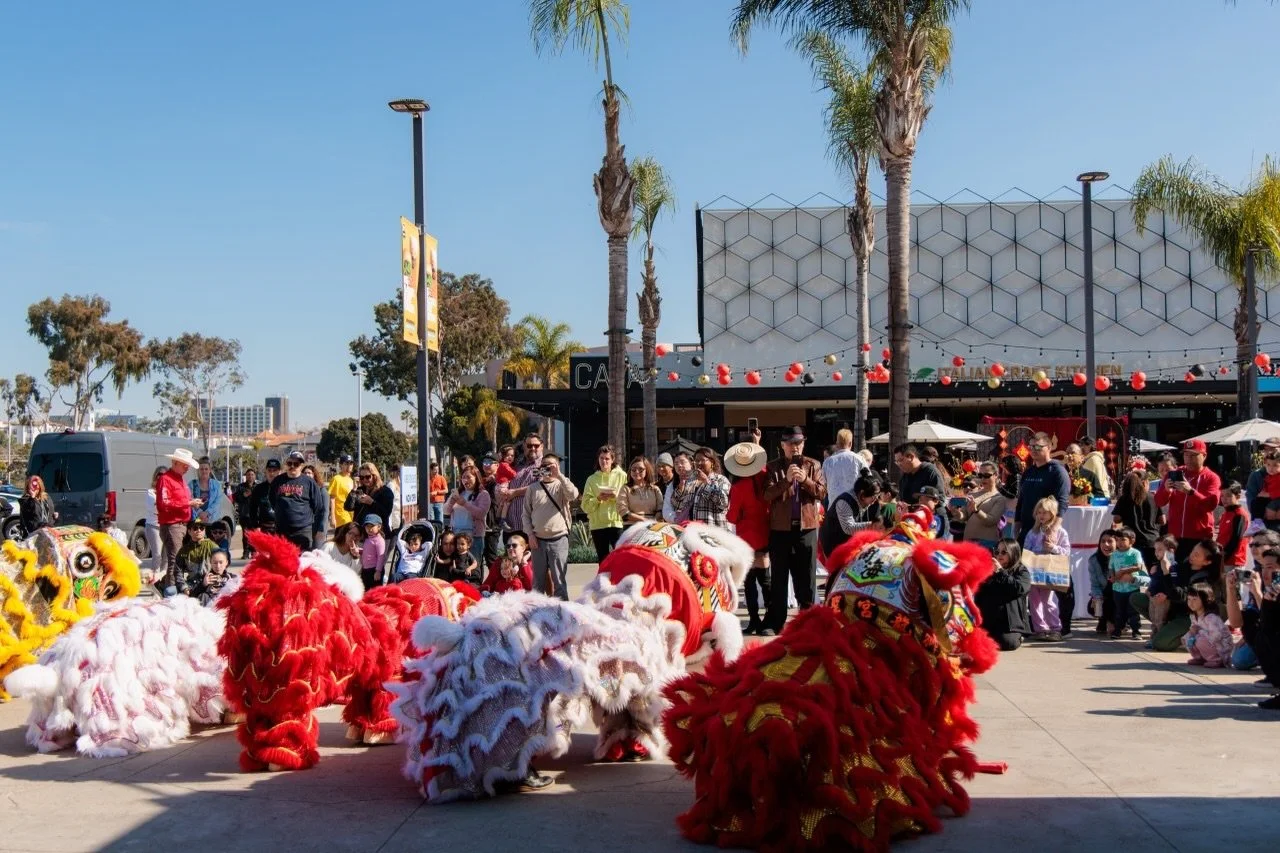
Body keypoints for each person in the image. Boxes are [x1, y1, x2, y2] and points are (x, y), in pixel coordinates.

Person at [762, 427, 827, 634]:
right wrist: (787, 480)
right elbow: (767, 495)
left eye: (798, 443)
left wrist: (805, 480)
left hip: (806, 528)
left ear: (803, 444)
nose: (795, 447)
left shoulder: (813, 465)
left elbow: (822, 493)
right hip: (780, 530)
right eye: (790, 444)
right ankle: (776, 622)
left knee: (806, 578)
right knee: (779, 576)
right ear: (782, 446)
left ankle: (808, 622)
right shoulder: (773, 467)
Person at [1133, 539, 1222, 652]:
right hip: (1172, 608)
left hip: (1188, 616)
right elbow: (1167, 582)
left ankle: (1188, 638)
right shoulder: (1184, 563)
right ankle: (1167, 626)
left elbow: (1180, 596)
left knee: (1160, 643)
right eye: (1193, 551)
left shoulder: (1204, 580)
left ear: (1207, 562)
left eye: (1197, 554)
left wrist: (1166, 573)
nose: (1192, 555)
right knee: (1137, 598)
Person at [1225, 544, 1280, 708]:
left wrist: (1259, 595)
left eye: (1270, 568)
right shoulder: (1261, 586)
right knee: (1251, 624)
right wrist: (1230, 589)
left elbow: (1271, 621)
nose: (1265, 573)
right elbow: (1236, 622)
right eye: (1262, 567)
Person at [725, 441, 772, 635]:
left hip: (746, 537)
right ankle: (769, 619)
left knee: (750, 581)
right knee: (766, 579)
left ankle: (754, 620)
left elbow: (732, 517)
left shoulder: (738, 487)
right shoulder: (765, 475)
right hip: (766, 530)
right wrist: (757, 443)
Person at [1154, 438, 1222, 563]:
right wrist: (1166, 490)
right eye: (1186, 455)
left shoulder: (1211, 478)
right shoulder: (1175, 474)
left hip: (1199, 537)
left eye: (1193, 455)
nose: (1188, 459)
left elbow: (1211, 504)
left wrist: (1191, 492)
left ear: (1204, 456)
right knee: (1176, 573)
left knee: (1197, 572)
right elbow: (1158, 501)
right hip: (1175, 537)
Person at [522, 452, 579, 600]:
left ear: (557, 467)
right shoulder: (532, 488)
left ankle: (562, 613)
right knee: (538, 583)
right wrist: (530, 535)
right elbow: (526, 515)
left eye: (550, 466)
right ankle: (537, 613)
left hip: (558, 539)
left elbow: (573, 495)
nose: (546, 468)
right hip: (537, 541)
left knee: (559, 581)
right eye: (543, 466)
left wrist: (559, 475)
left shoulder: (561, 485)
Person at [156, 448, 204, 597]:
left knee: (176, 559)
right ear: (175, 463)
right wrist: (188, 503)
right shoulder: (166, 479)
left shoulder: (179, 479)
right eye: (184, 465)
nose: (187, 467)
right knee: (175, 560)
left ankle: (165, 586)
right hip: (173, 524)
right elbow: (164, 503)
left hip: (181, 523)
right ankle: (170, 593)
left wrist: (190, 504)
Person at [1024, 496, 1070, 642]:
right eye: (1039, 512)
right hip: (1034, 569)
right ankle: (1040, 629)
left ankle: (1055, 628)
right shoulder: (1033, 532)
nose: (1041, 515)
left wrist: (1053, 548)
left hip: (1049, 570)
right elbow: (1026, 548)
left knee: (1049, 600)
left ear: (1052, 513)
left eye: (1045, 512)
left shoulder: (1060, 532)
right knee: (1034, 600)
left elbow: (1067, 551)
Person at [974, 539, 1032, 651]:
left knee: (1007, 643)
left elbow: (1019, 589)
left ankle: (1019, 636)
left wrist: (1000, 572)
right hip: (989, 620)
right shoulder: (990, 569)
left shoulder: (1021, 570)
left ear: (1013, 553)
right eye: (997, 551)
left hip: (1009, 624)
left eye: (1004, 552)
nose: (999, 555)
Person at [1014, 434, 1070, 546]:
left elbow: (1062, 502)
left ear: (1049, 448)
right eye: (1031, 447)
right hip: (1026, 532)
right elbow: (1021, 501)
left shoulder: (1057, 471)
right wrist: (1016, 528)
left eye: (1038, 447)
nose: (1033, 450)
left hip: (1045, 532)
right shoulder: (1028, 472)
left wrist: (1053, 530)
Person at [270, 451, 327, 551]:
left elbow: (318, 506)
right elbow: (272, 500)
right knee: (282, 562)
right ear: (286, 464)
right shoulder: (277, 481)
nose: (292, 466)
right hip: (282, 530)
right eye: (290, 463)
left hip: (303, 531)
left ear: (301, 466)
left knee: (302, 562)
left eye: (296, 464)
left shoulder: (309, 482)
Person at [819, 473, 884, 558]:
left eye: (877, 496)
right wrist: (873, 525)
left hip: (845, 542)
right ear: (862, 494)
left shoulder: (862, 499)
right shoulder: (844, 502)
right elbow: (849, 528)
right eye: (874, 496)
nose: (875, 500)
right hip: (832, 542)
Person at [581, 445, 627, 561]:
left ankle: (619, 580)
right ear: (598, 459)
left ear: (612, 460)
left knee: (621, 559)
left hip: (617, 524)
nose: (604, 461)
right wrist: (598, 499)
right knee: (603, 561)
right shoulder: (591, 479)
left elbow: (629, 499)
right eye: (601, 458)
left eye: (607, 458)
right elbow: (585, 506)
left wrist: (616, 496)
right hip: (598, 526)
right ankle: (604, 580)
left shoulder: (622, 476)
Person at [499, 434, 545, 537]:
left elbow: (541, 486)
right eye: (529, 445)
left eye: (536, 445)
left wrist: (515, 492)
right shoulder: (516, 464)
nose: (532, 448)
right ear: (524, 446)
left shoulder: (544, 464)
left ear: (542, 446)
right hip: (511, 526)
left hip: (531, 528)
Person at [1112, 470, 1159, 566]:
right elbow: (1162, 519)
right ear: (1145, 482)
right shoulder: (1152, 497)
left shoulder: (1124, 498)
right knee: (1152, 572)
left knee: (1134, 573)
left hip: (1133, 542)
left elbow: (1116, 519)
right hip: (1152, 541)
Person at [1108, 527, 1148, 640]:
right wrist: (1112, 576)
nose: (1120, 543)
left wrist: (1123, 571)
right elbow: (1111, 568)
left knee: (1133, 611)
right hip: (1117, 588)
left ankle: (1136, 631)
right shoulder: (1114, 554)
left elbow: (1138, 566)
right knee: (1119, 611)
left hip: (1132, 587)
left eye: (1123, 540)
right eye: (1118, 540)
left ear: (1132, 540)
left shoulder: (1135, 553)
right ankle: (1118, 630)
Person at [445, 466, 491, 563]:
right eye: (463, 477)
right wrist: (451, 501)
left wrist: (465, 504)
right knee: (457, 565)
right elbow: (446, 511)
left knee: (473, 566)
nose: (466, 480)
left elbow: (481, 513)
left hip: (474, 537)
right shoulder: (458, 492)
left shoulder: (483, 494)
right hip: (456, 535)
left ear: (476, 477)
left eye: (469, 477)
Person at [681, 447, 732, 529]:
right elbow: (678, 505)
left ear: (712, 462)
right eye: (696, 460)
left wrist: (706, 481)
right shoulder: (691, 481)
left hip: (714, 532)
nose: (699, 463)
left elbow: (723, 503)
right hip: (694, 531)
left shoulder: (721, 480)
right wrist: (680, 488)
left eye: (703, 460)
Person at [962, 461, 1007, 552]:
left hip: (986, 544)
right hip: (968, 542)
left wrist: (976, 511)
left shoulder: (1000, 498)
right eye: (980, 475)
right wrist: (955, 512)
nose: (983, 479)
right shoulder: (973, 494)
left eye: (986, 475)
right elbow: (964, 516)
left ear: (995, 475)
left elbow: (991, 521)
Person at [1184, 584, 1231, 667]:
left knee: (1199, 640)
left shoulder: (1211, 617)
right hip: (1207, 642)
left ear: (1205, 600)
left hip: (1220, 647)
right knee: (1187, 637)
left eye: (1195, 599)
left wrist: (1199, 633)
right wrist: (1192, 632)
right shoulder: (1193, 616)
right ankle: (1200, 657)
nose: (1191, 603)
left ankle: (1217, 660)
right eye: (1189, 599)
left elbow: (1217, 636)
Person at [344, 462, 395, 533]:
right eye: (361, 477)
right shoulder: (360, 490)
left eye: (367, 477)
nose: (364, 480)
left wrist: (372, 502)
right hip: (361, 533)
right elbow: (348, 507)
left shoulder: (385, 491)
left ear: (374, 476)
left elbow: (386, 513)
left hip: (378, 534)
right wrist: (353, 490)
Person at [821, 429, 865, 509]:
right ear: (851, 443)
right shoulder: (859, 459)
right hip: (853, 507)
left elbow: (824, 485)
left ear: (837, 444)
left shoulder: (827, 462)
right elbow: (868, 481)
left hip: (833, 507)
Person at [1087, 530, 1120, 634]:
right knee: (1093, 606)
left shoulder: (1123, 558)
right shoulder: (1094, 560)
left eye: (1110, 541)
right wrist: (1097, 597)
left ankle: (1117, 622)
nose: (1106, 544)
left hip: (1121, 594)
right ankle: (1104, 620)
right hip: (1105, 594)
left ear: (1117, 543)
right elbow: (1095, 584)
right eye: (1103, 541)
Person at [175, 520, 217, 596]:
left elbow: (222, 565)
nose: (199, 530)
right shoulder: (184, 550)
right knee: (170, 591)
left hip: (210, 582)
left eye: (201, 528)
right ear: (189, 531)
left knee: (203, 596)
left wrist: (212, 579)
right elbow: (178, 572)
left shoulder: (213, 546)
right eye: (195, 528)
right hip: (191, 584)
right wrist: (184, 588)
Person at [617, 456, 664, 524]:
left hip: (652, 527)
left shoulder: (655, 489)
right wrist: (645, 521)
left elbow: (660, 509)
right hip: (631, 527)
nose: (637, 471)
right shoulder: (625, 488)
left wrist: (652, 522)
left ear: (647, 470)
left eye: (641, 469)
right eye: (633, 469)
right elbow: (623, 511)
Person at [1218, 482, 1250, 574]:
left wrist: (1224, 555)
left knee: (1232, 587)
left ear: (1238, 496)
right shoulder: (1226, 513)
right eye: (1222, 496)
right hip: (1223, 560)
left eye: (1228, 495)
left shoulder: (1239, 515)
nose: (1224, 499)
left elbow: (1236, 538)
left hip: (1234, 560)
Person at [479, 456, 504, 562]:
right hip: (481, 523)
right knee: (481, 555)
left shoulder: (501, 480)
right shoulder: (483, 481)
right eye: (484, 462)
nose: (486, 465)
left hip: (492, 523)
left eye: (489, 462)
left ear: (497, 465)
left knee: (491, 556)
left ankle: (497, 578)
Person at [249, 459, 281, 538]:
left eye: (274, 470)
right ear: (265, 471)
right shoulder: (259, 488)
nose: (272, 473)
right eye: (269, 470)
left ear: (279, 472)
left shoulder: (285, 487)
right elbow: (252, 509)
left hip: (282, 529)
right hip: (265, 528)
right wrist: (256, 526)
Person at [189, 457, 225, 526]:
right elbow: (190, 499)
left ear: (210, 470)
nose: (204, 471)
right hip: (196, 521)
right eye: (201, 469)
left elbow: (218, 501)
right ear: (198, 470)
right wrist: (200, 513)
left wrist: (207, 513)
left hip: (213, 520)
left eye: (206, 469)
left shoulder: (216, 484)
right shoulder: (192, 484)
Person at [143, 466, 166, 575]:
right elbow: (156, 508)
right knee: (157, 555)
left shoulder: (169, 491)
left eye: (164, 475)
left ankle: (164, 576)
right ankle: (155, 575)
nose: (161, 477)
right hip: (154, 526)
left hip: (167, 526)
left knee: (167, 555)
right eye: (159, 474)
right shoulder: (150, 492)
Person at [232, 468, 258, 559]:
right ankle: (246, 552)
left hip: (255, 515)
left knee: (254, 535)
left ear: (255, 476)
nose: (250, 476)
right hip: (244, 514)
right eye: (248, 475)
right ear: (245, 476)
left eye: (252, 474)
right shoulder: (241, 487)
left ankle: (254, 551)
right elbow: (235, 498)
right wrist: (243, 495)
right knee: (245, 535)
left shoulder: (258, 487)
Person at [358, 514, 387, 589]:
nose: (369, 529)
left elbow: (381, 557)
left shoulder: (379, 540)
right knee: (366, 590)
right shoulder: (368, 538)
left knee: (376, 591)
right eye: (367, 526)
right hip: (366, 569)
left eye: (372, 526)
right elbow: (367, 552)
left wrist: (378, 571)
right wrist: (359, 550)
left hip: (374, 570)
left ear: (379, 527)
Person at [664, 452, 694, 524]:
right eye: (676, 463)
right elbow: (666, 510)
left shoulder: (699, 480)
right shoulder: (672, 485)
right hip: (679, 525)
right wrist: (677, 518)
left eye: (682, 462)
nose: (679, 465)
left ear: (691, 464)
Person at [328, 454, 356, 530]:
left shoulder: (351, 480)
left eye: (351, 463)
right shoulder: (336, 479)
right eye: (346, 463)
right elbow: (332, 499)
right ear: (341, 465)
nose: (349, 465)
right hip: (341, 515)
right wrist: (332, 517)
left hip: (351, 515)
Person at [428, 462, 449, 527]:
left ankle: (440, 534)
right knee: (431, 520)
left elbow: (446, 490)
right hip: (430, 502)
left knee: (439, 520)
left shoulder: (441, 478)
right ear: (431, 470)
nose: (436, 471)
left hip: (439, 502)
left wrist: (437, 492)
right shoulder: (427, 478)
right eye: (435, 470)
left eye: (437, 469)